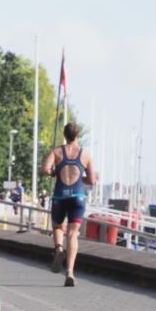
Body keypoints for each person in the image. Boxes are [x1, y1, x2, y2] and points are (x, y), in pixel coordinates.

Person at [42, 122, 96, 287]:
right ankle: (70, 272)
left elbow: (45, 169)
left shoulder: (56, 151)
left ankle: (59, 249)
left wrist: (54, 173)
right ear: (78, 136)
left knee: (58, 227)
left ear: (65, 135)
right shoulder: (85, 154)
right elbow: (92, 180)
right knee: (72, 235)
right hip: (78, 196)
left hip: (60, 196)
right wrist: (80, 178)